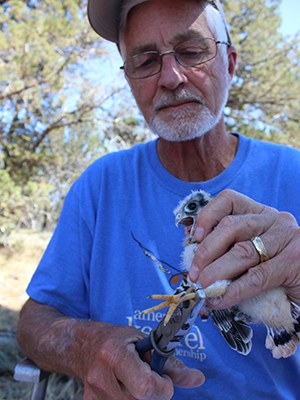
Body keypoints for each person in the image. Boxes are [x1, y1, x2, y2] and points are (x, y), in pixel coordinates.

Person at [17, 0, 300, 399]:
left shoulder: (294, 174)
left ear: (231, 63)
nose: (170, 77)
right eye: (146, 60)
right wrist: (85, 344)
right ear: (129, 79)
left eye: (191, 51)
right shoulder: (100, 184)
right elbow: (34, 320)